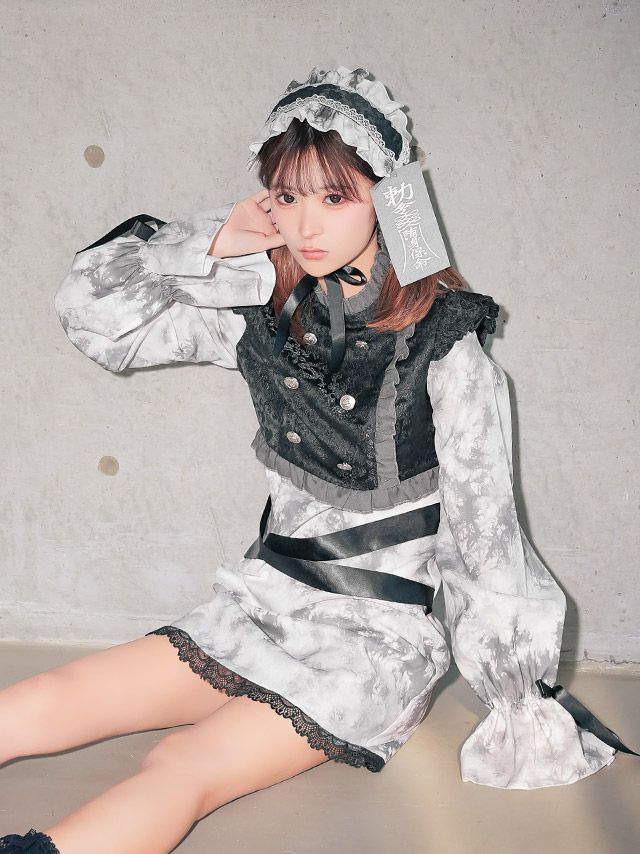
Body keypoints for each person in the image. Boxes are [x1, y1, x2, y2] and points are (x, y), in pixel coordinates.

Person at [1, 66, 636, 854]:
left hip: (370, 650)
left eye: (335, 197)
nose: (307, 224)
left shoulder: (446, 345)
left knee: (180, 766)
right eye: (287, 196)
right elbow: (94, 312)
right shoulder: (259, 311)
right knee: (44, 696)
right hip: (254, 609)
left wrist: (519, 698)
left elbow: (487, 537)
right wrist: (212, 238)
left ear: (389, 198)